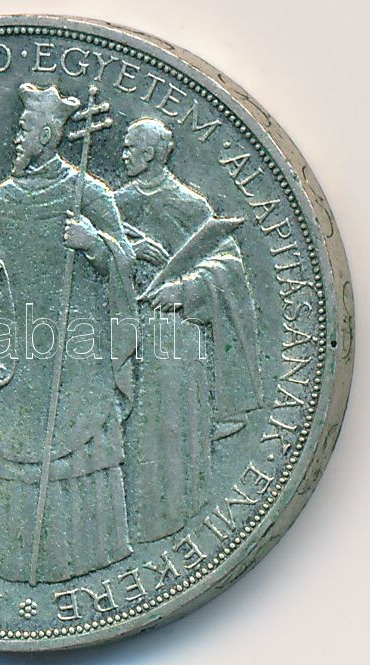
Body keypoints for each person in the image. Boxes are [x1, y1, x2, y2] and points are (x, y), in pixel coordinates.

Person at [0, 83, 137, 584]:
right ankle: (11, 562)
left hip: (74, 362)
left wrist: (93, 243)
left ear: (49, 135)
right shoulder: (1, 200)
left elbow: (126, 264)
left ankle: (85, 560)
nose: (16, 139)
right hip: (15, 360)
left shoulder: (88, 194)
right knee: (15, 458)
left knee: (77, 453)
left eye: (24, 130)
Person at [115, 117, 263, 543]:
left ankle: (175, 517)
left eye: (130, 147)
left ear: (151, 153)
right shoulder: (116, 203)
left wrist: (184, 289)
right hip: (123, 336)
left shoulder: (190, 205)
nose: (124, 155)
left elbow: (227, 266)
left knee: (170, 431)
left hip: (175, 338)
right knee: (130, 433)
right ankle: (128, 526)